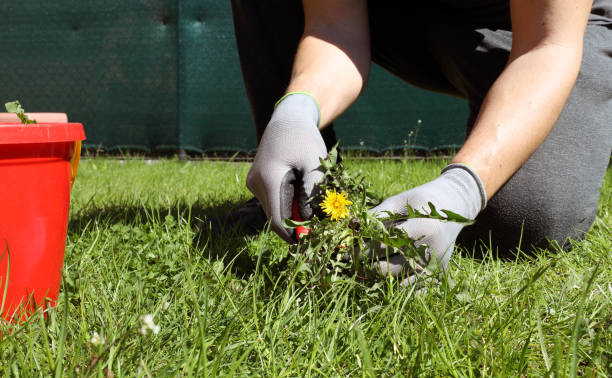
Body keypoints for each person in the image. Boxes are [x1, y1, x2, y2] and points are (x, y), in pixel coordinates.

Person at [220, 0, 612, 275]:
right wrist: (296, 111)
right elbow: (333, 28)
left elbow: (547, 46)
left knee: (528, 217)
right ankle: (306, 193)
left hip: (536, 28)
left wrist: (460, 189)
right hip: (406, 14)